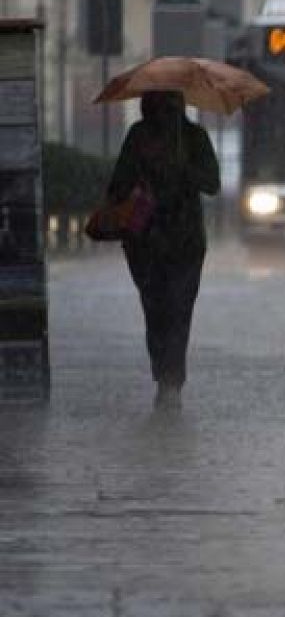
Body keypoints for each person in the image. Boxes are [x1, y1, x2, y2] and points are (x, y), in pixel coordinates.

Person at [105, 91, 220, 409]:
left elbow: (212, 182)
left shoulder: (194, 138)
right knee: (158, 311)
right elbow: (117, 186)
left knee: (177, 309)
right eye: (159, 106)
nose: (164, 113)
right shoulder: (139, 136)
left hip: (184, 243)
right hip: (147, 242)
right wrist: (144, 179)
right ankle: (165, 377)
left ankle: (171, 381)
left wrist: (184, 171)